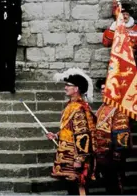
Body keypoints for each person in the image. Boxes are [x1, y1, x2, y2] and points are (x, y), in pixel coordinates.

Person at [48, 68, 97, 196]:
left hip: (74, 156)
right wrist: (56, 135)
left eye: (68, 85)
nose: (65, 88)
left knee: (78, 188)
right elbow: (69, 129)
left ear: (76, 89)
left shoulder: (79, 108)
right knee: (71, 188)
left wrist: (79, 159)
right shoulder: (70, 105)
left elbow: (82, 134)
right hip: (66, 155)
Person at [94, 78, 131, 195]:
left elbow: (122, 134)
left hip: (113, 156)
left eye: (105, 89)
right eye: (101, 89)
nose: (102, 91)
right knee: (108, 185)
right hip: (102, 155)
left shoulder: (119, 108)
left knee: (115, 186)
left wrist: (117, 156)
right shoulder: (102, 108)